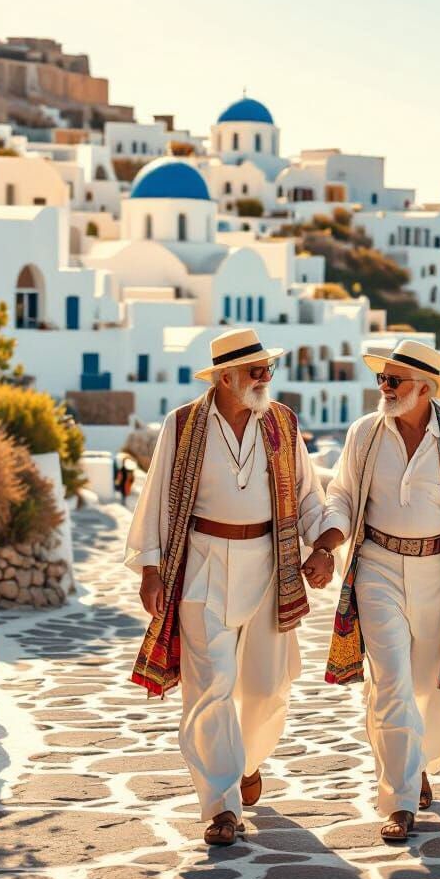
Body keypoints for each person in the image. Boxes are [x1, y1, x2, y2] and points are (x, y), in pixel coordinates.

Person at [125, 328, 331, 846]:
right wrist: (151, 569)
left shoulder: (282, 423)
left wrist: (323, 545)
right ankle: (221, 807)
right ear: (225, 376)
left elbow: (308, 495)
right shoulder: (183, 425)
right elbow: (155, 498)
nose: (265, 377)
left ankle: (248, 762)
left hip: (269, 565)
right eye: (255, 370)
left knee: (267, 688)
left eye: (268, 368)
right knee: (209, 689)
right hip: (201, 565)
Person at [309, 339, 440, 842]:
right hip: (376, 566)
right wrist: (325, 545)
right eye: (381, 378)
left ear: (424, 386)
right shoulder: (364, 434)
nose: (384, 387)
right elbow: (342, 498)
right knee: (393, 683)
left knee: (431, 692)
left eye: (393, 380)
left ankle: (418, 761)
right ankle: (399, 800)